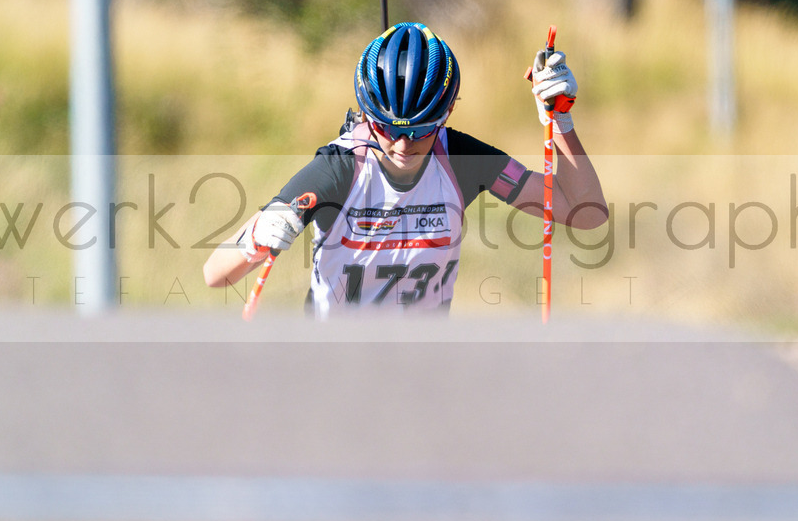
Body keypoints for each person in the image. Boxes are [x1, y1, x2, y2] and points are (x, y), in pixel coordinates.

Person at [203, 22, 606, 316]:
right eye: (385, 128)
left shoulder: (461, 160)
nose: (400, 145)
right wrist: (255, 237)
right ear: (366, 115)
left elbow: (583, 213)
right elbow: (216, 275)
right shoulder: (340, 169)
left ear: (446, 114)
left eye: (419, 131)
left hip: (422, 368)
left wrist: (562, 122)